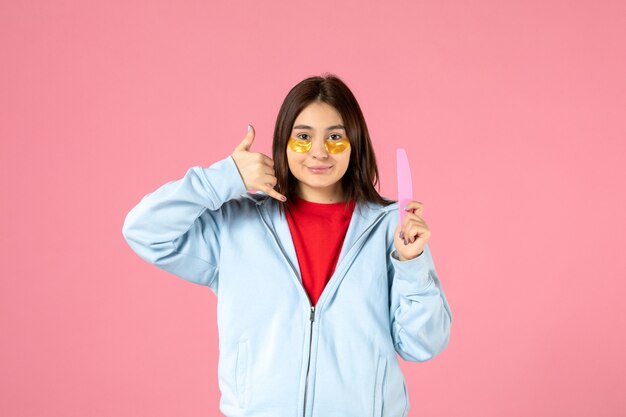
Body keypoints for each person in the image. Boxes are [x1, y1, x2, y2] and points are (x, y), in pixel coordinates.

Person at [122, 73, 452, 417]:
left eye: (335, 137)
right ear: (283, 142)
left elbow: (423, 344)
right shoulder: (238, 226)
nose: (319, 152)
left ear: (355, 142)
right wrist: (225, 177)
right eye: (304, 137)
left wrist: (410, 263)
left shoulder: (391, 229)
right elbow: (144, 229)